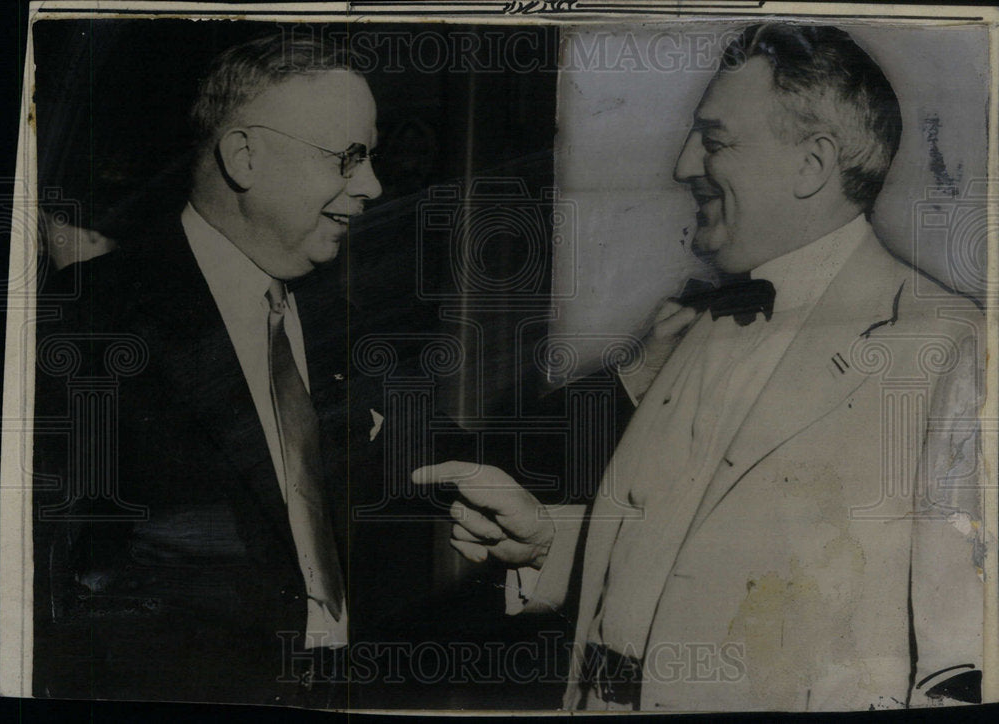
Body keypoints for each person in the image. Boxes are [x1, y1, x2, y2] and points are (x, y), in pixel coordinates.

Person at [415, 23, 986, 711]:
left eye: (713, 142)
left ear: (812, 164)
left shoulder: (950, 347)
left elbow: (961, 669)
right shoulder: (705, 319)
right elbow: (685, 558)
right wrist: (546, 540)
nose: (684, 165)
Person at [31, 33, 416, 707]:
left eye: (371, 158)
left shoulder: (348, 316)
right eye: (348, 158)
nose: (373, 186)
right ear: (244, 156)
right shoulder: (92, 319)